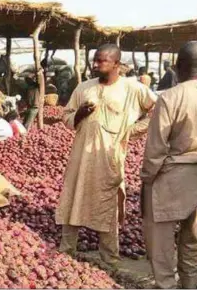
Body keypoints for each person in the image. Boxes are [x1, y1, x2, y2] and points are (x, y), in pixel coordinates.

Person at [56, 44, 157, 266]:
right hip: (81, 155)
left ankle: (109, 257)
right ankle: (66, 250)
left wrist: (132, 131)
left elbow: (157, 110)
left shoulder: (133, 89)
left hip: (109, 158)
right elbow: (65, 116)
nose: (96, 65)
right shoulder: (84, 87)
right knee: (73, 197)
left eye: (102, 61)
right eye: (95, 60)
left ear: (117, 65)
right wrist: (79, 114)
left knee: (107, 204)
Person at [140, 41, 197, 289]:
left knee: (161, 240)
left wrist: (147, 178)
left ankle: (167, 285)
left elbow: (156, 147)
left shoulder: (170, 97)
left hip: (174, 176)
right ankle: (189, 284)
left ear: (178, 67)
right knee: (191, 236)